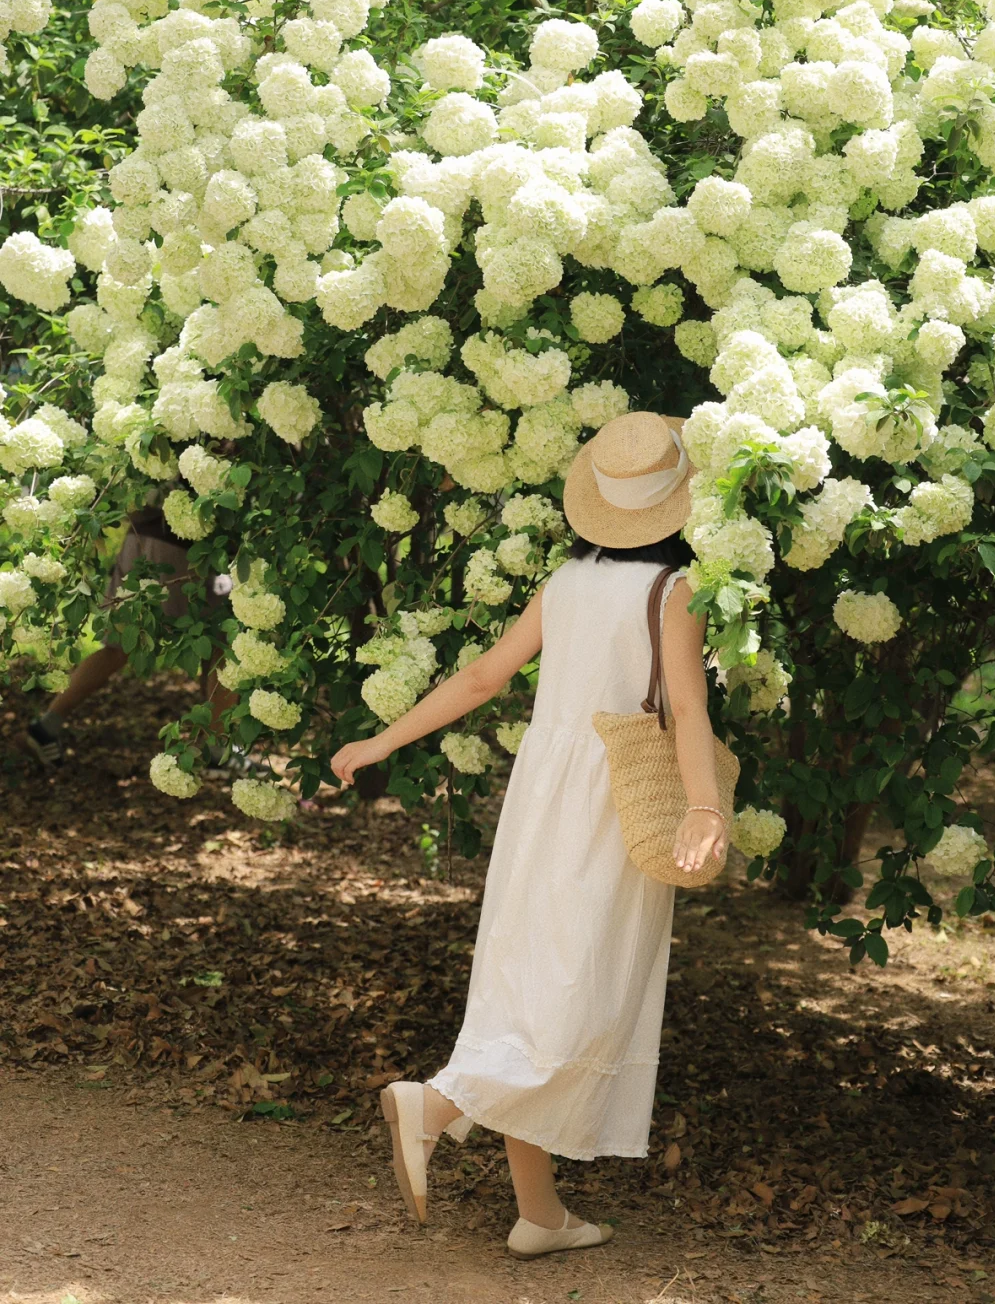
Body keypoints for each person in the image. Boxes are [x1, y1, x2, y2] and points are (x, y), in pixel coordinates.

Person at [331, 411, 728, 1259]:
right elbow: (687, 708)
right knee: (582, 995)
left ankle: (540, 1214)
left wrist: (380, 741)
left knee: (533, 986)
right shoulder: (674, 591)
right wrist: (705, 808)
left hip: (544, 789)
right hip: (614, 795)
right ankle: (440, 1104)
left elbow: (482, 678)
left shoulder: (568, 582)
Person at [24, 501, 235, 768]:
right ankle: (218, 752)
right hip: (187, 547)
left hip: (140, 538)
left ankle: (47, 726)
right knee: (222, 648)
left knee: (118, 645)